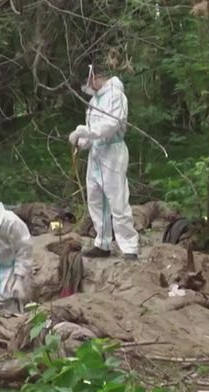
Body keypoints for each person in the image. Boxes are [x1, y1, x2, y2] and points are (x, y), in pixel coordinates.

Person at [67, 62, 139, 261]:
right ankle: (102, 243)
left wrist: (86, 131)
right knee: (96, 199)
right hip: (96, 154)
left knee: (117, 199)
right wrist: (82, 141)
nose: (87, 87)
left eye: (87, 82)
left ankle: (129, 247)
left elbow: (110, 125)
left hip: (112, 152)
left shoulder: (116, 95)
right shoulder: (94, 101)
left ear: (95, 76)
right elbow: (92, 130)